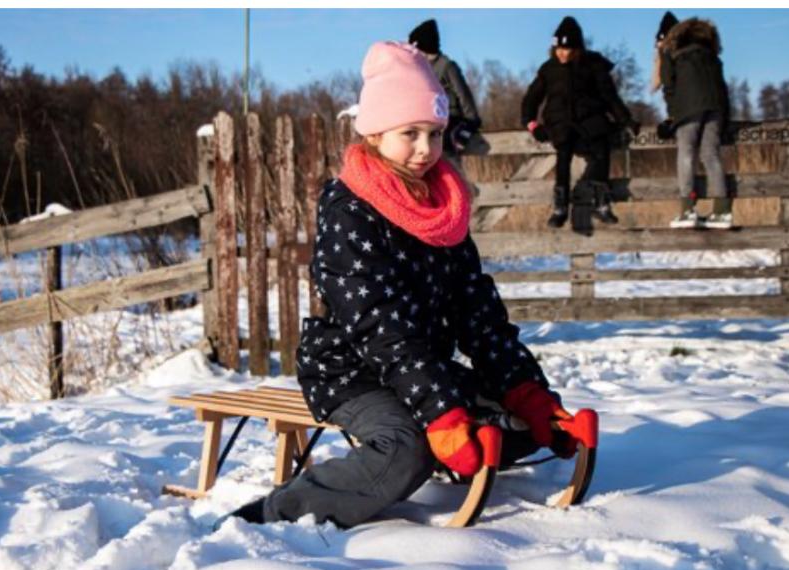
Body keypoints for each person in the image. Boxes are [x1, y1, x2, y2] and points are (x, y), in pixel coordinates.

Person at [223, 42, 576, 529]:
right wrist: (441, 410)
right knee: (406, 451)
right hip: (351, 370)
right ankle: (272, 513)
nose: (426, 149)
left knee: (511, 424)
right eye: (409, 133)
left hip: (421, 366)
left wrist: (525, 390)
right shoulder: (350, 212)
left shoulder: (443, 211)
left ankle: (478, 424)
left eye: (435, 133)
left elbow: (478, 311)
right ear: (375, 132)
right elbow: (381, 327)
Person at [521, 16, 639, 229]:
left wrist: (626, 119)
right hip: (560, 122)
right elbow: (531, 99)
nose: (562, 53)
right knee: (563, 156)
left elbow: (609, 97)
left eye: (567, 49)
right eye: (559, 49)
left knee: (601, 150)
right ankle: (560, 206)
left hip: (590, 119)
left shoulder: (593, 65)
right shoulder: (549, 69)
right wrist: (532, 124)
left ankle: (600, 201)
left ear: (577, 49)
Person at [654, 14, 733, 228]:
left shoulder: (669, 51)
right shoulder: (708, 53)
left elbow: (669, 85)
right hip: (715, 108)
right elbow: (723, 88)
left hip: (689, 108)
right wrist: (725, 118)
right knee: (710, 154)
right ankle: (722, 211)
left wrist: (672, 115)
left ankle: (688, 210)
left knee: (686, 153)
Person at [408, 19, 483, 157]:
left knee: (446, 156)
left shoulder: (446, 66)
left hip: (450, 121)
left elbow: (463, 93)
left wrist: (471, 121)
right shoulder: (421, 68)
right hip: (430, 121)